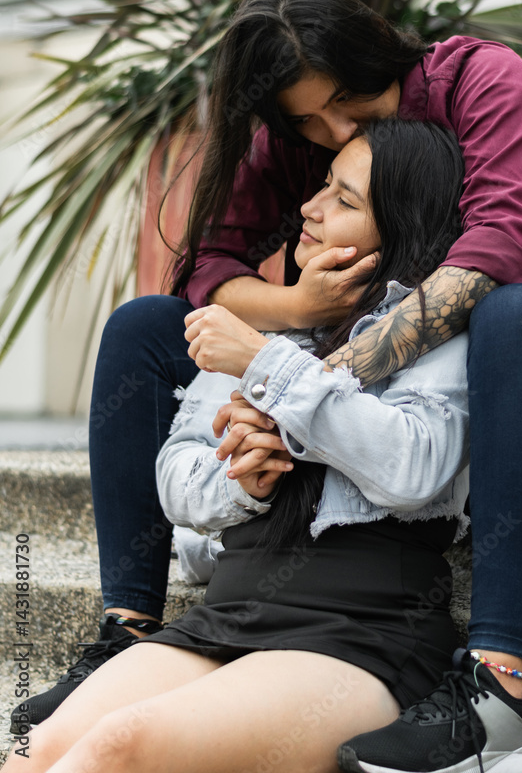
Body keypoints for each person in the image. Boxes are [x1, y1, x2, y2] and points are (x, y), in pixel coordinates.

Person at [14, 0, 522, 773]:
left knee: (512, 310)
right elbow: (208, 267)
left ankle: (499, 688)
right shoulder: (299, 134)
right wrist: (296, 308)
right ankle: (128, 629)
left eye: (348, 101)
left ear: (375, 52)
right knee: (144, 326)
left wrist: (297, 382)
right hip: (347, 394)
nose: (333, 129)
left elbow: (500, 247)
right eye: (307, 121)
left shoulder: (478, 79)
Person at [4, 118, 490, 773]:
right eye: (322, 186)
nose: (310, 208)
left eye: (343, 200)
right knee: (34, 750)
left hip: (359, 632)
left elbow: (413, 467)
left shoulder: (437, 336)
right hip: (226, 613)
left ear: (399, 225)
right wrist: (242, 480)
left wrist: (267, 368)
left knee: (119, 747)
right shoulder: (269, 324)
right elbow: (179, 479)